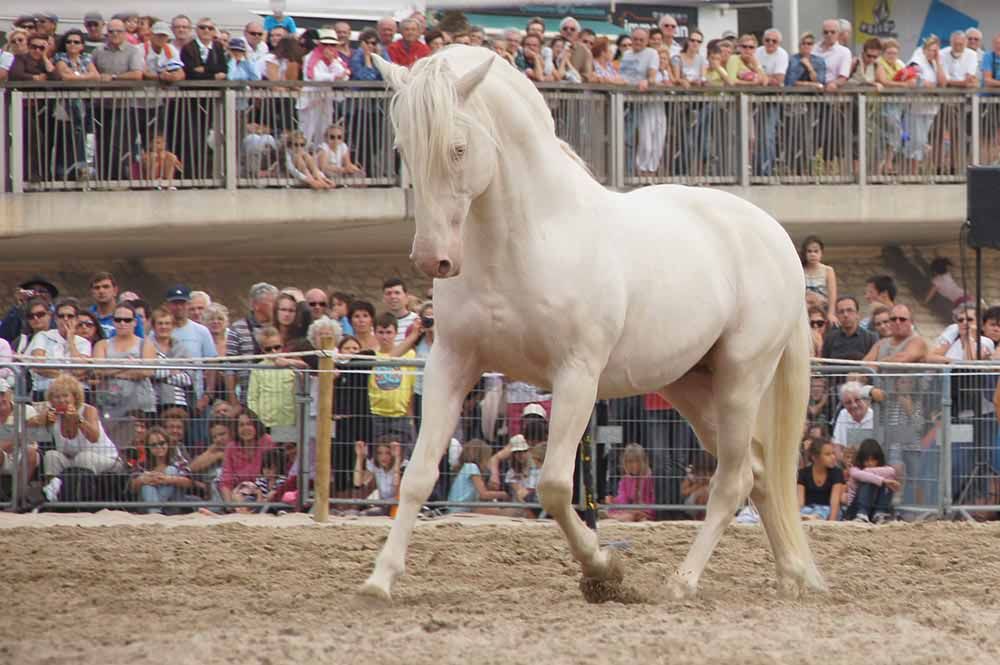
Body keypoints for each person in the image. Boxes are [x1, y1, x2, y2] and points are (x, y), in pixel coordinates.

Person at [38, 374, 122, 502]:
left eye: (65, 396)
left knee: (84, 457)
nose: (61, 400)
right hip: (73, 460)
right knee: (51, 456)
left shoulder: (88, 410)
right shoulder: (53, 414)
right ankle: (52, 495)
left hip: (105, 458)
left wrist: (79, 420)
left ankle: (81, 499)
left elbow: (94, 437)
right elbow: (34, 426)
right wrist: (44, 418)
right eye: (57, 397)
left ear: (74, 397)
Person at [92, 303, 156, 444]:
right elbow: (98, 370)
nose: (122, 323)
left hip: (139, 406)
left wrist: (112, 370)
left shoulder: (145, 344)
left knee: (137, 446)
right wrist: (127, 366)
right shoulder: (102, 344)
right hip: (110, 404)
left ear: (134, 322)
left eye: (127, 320)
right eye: (118, 319)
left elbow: (146, 371)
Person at [27, 298, 91, 401]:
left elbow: (80, 370)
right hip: (46, 390)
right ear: (56, 319)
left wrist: (71, 341)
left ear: (77, 319)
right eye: (61, 316)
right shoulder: (42, 336)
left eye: (70, 316)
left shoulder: (84, 343)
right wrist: (66, 377)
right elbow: (38, 366)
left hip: (76, 394)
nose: (65, 319)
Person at [368, 313, 416, 446]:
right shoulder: (370, 356)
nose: (385, 336)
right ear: (375, 333)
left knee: (402, 453)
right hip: (376, 414)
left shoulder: (409, 355)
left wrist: (409, 415)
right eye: (381, 332)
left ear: (396, 333)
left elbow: (411, 387)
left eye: (389, 332)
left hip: (400, 415)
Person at [129, 425, 193, 513]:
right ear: (148, 448)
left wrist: (169, 479)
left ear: (168, 443)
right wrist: (142, 479)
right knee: (146, 481)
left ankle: (155, 511)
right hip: (146, 509)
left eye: (162, 443)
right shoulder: (142, 465)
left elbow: (189, 482)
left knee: (171, 470)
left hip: (173, 507)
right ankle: (156, 512)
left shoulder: (179, 461)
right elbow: (132, 487)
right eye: (154, 445)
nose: (159, 447)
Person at [247, 326, 297, 430]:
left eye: (277, 347)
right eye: (268, 349)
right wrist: (256, 421)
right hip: (265, 422)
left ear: (282, 345)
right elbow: (252, 398)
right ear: (262, 349)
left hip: (289, 420)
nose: (274, 351)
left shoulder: (291, 366)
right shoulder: (257, 369)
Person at [219, 410, 274, 503]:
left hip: (264, 491)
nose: (245, 428)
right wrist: (229, 505)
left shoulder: (267, 441)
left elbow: (274, 474)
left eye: (249, 424)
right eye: (241, 425)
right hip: (240, 492)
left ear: (256, 426)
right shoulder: (231, 447)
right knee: (217, 481)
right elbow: (226, 480)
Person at [447, 439, 510, 514]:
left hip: (461, 507)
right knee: (500, 512)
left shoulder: (466, 467)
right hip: (460, 509)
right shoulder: (472, 467)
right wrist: (503, 494)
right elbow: (483, 494)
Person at [843, 438, 899, 523]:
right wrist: (882, 480)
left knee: (887, 480)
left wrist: (870, 473)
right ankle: (862, 514)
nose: (870, 463)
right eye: (867, 460)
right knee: (868, 480)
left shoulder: (881, 468)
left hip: (875, 507)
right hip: (856, 509)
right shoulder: (854, 469)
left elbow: (892, 471)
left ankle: (880, 513)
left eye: (873, 460)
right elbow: (859, 474)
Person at [0, 377, 40, 482]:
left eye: (2, 394)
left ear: (10, 394)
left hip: (22, 454)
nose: (0, 399)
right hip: (2, 456)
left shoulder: (27, 410)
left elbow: (32, 439)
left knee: (31, 452)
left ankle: (19, 496)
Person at [604, 443, 655, 521]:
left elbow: (650, 500)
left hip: (645, 510)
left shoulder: (649, 477)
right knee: (627, 515)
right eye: (630, 462)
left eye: (637, 461)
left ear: (643, 461)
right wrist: (617, 503)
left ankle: (614, 517)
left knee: (634, 516)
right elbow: (622, 497)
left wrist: (640, 510)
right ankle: (614, 516)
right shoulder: (625, 479)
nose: (633, 465)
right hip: (629, 509)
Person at [797, 438, 844, 521]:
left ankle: (815, 518)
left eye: (833, 453)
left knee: (823, 512)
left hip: (828, 510)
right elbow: (800, 502)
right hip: (809, 509)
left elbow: (835, 503)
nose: (833, 457)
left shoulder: (837, 473)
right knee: (803, 512)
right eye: (827, 454)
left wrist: (830, 524)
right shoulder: (803, 473)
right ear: (815, 457)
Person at [353, 439, 402, 515]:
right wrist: (359, 457)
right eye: (380, 453)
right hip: (382, 503)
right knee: (363, 508)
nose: (383, 457)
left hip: (398, 505)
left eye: (388, 453)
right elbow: (357, 483)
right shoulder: (376, 465)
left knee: (365, 513)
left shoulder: (401, 465)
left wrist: (397, 458)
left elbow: (396, 484)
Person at [822, 297, 878, 361]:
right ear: (837, 315)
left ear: (857, 314)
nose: (845, 315)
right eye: (841, 312)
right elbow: (824, 365)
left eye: (849, 310)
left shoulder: (870, 338)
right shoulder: (830, 339)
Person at [800, 235, 838, 324]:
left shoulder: (828, 270)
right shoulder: (800, 270)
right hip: (804, 311)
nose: (813, 254)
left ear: (821, 253)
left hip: (822, 310)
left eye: (816, 251)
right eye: (809, 251)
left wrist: (831, 314)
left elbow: (832, 295)